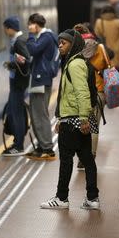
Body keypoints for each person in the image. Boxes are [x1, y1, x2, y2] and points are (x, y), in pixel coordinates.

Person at [40, 29, 100, 210]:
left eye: (63, 43)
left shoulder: (74, 65)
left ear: (73, 44)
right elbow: (69, 96)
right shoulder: (78, 62)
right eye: (59, 42)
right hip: (74, 118)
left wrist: (82, 119)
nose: (60, 46)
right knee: (88, 160)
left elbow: (81, 93)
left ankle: (61, 198)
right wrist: (62, 118)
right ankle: (92, 198)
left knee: (66, 160)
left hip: (74, 121)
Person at [73, 24, 110, 170]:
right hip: (99, 91)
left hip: (79, 93)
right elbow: (108, 66)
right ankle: (90, 157)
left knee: (81, 125)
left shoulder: (74, 49)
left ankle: (82, 156)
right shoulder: (100, 48)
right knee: (94, 126)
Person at [25, 13, 58, 160]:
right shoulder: (44, 37)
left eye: (30, 24)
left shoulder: (46, 37)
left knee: (40, 114)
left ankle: (48, 148)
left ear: (36, 25)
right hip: (38, 79)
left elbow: (33, 50)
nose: (29, 27)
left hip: (41, 80)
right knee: (35, 113)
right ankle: (41, 146)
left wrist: (31, 35)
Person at [1, 16, 30, 156]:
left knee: (17, 114)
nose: (5, 31)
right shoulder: (18, 40)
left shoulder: (19, 42)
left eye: (6, 28)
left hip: (18, 84)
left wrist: (11, 64)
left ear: (10, 28)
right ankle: (17, 143)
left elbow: (26, 59)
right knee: (15, 112)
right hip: (17, 83)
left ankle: (19, 146)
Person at [94, 5, 119, 69]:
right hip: (116, 51)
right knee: (115, 72)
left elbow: (96, 36)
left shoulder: (99, 22)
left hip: (104, 50)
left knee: (105, 69)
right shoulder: (118, 22)